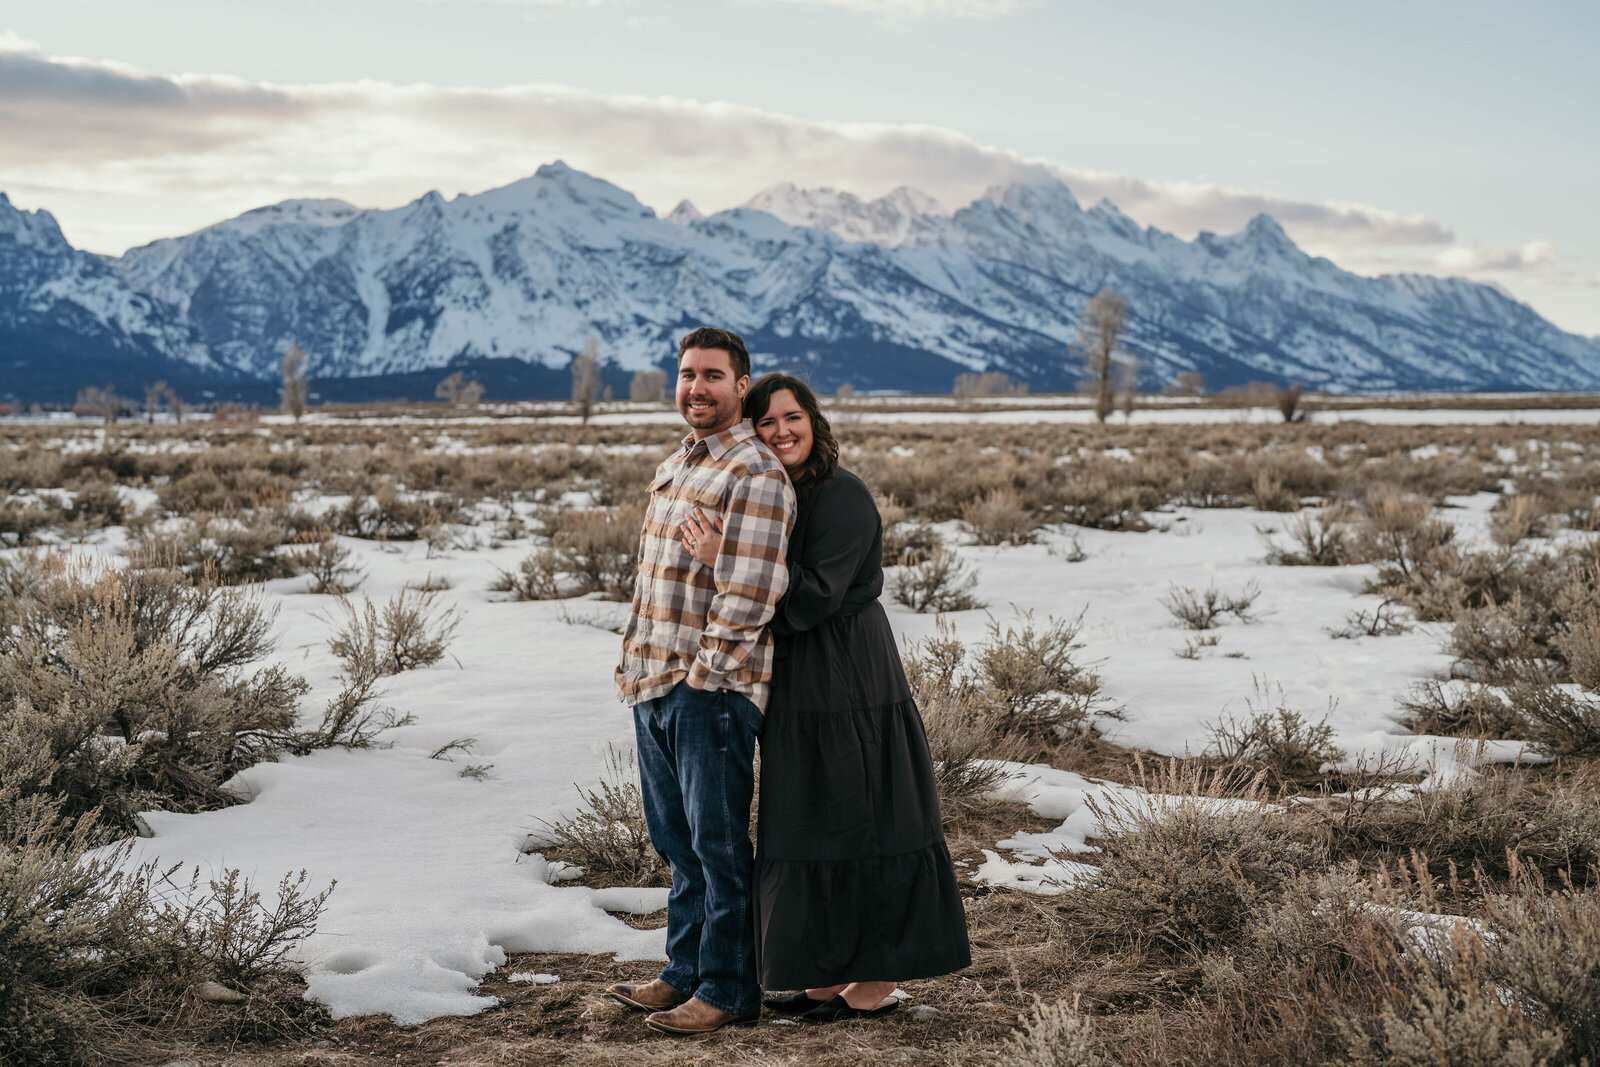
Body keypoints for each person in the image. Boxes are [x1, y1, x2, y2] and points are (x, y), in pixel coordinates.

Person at [681, 373, 970, 1024]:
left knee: (861, 808)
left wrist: (724, 558)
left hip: (845, 669)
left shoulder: (842, 496)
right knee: (807, 812)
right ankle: (821, 973)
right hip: (794, 672)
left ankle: (873, 981)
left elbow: (812, 596)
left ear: (815, 420)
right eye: (766, 422)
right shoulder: (774, 491)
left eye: (793, 416)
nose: (781, 430)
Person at [607, 328, 797, 1036]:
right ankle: (682, 972)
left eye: (713, 375)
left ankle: (726, 988)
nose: (696, 387)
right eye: (687, 374)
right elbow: (655, 580)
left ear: (740, 385)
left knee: (717, 846)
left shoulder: (753, 472)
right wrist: (637, 667)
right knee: (677, 844)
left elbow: (750, 592)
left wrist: (703, 680)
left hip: (708, 692)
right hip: (653, 681)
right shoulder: (678, 464)